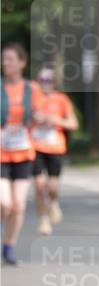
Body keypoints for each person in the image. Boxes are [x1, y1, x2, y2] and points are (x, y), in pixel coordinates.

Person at [1, 43, 45, 265]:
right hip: (0, 153)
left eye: (9, 59)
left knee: (18, 204)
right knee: (4, 203)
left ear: (21, 63)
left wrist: (38, 117)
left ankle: (8, 246)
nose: (5, 63)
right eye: (3, 59)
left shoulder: (32, 89)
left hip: (23, 151)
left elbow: (39, 115)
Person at [32, 66, 79, 235]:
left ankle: (53, 202)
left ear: (53, 83)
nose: (45, 84)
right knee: (39, 185)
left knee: (52, 186)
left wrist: (55, 119)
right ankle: (43, 219)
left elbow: (73, 124)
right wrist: (34, 119)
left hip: (55, 147)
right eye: (42, 80)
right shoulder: (31, 98)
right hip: (34, 146)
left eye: (48, 81)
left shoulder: (61, 99)